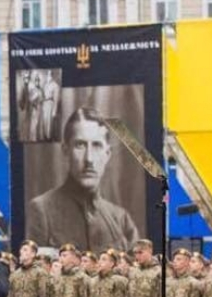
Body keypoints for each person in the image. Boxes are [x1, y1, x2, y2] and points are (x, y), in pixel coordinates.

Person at [26, 107, 140, 252]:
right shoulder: (42, 210)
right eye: (80, 145)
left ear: (107, 154)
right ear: (66, 151)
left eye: (97, 145)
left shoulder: (121, 220)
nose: (89, 159)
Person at [40, 71, 60, 141]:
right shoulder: (45, 85)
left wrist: (54, 111)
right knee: (45, 121)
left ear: (52, 75)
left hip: (50, 104)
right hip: (44, 104)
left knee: (49, 123)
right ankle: (45, 136)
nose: (48, 76)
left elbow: (56, 99)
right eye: (47, 74)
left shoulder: (55, 85)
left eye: (50, 74)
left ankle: (49, 138)